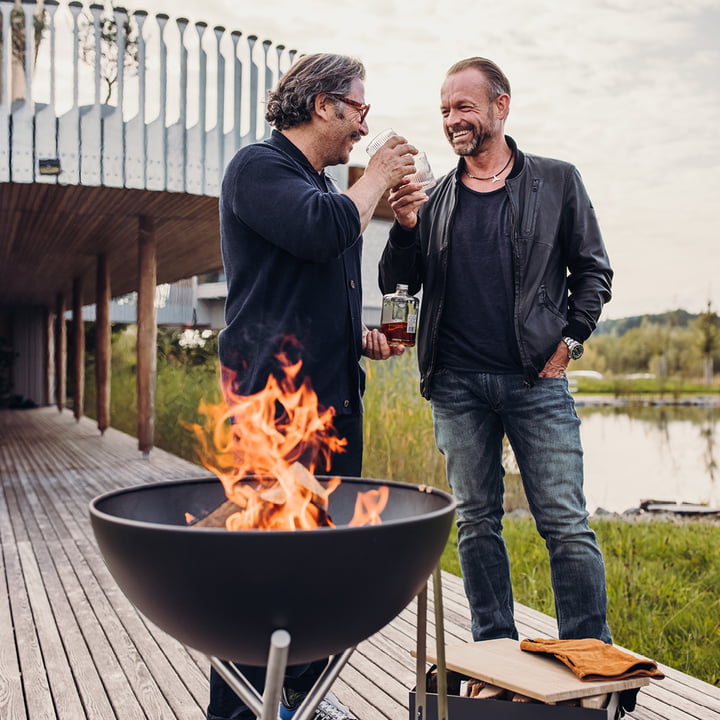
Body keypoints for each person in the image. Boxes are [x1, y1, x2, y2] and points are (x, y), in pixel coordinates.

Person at [379, 57, 614, 646]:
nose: (452, 120)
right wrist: (404, 224)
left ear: (500, 106)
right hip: (456, 386)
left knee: (565, 524)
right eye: (444, 111)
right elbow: (396, 283)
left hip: (537, 381)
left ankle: (591, 662)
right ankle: (495, 656)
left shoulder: (557, 181)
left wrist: (568, 343)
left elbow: (593, 273)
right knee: (476, 524)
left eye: (463, 106)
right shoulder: (432, 200)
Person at [214, 53, 415, 720]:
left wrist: (359, 337)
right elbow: (319, 232)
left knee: (317, 571)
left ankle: (298, 696)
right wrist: (377, 175)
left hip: (330, 407)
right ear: (323, 103)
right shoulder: (258, 167)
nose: (364, 124)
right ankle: (243, 710)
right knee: (262, 572)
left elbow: (311, 280)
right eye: (359, 107)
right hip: (274, 412)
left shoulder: (320, 189)